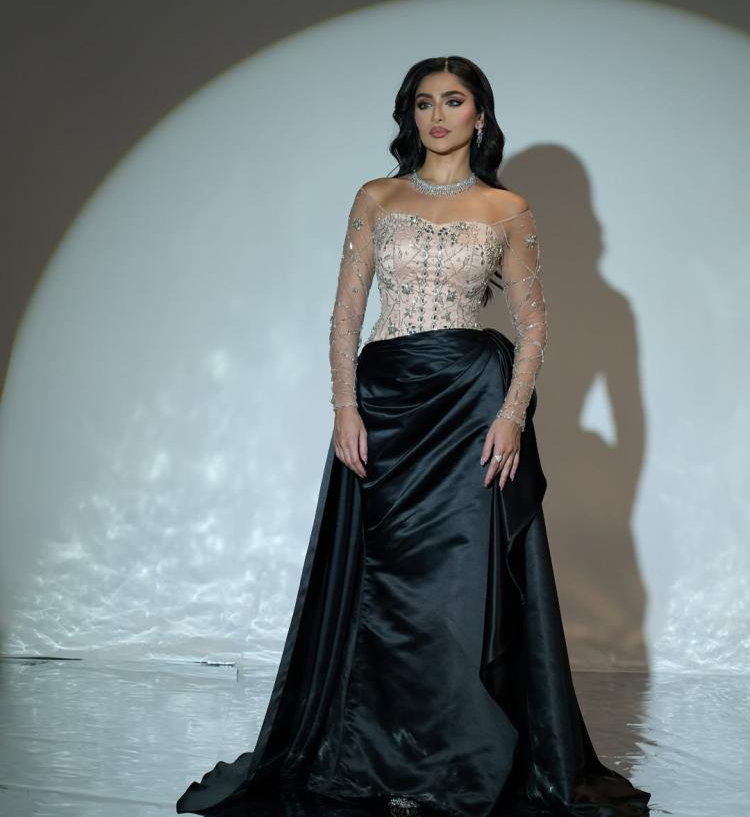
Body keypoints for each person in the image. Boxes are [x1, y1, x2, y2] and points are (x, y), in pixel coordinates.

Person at [176, 56, 651, 817]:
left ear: (479, 115)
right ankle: (377, 751)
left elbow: (533, 325)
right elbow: (345, 315)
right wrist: (345, 406)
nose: (437, 116)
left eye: (453, 101)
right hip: (387, 404)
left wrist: (510, 415)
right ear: (411, 114)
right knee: (386, 587)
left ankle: (459, 755)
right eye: (424, 103)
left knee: (457, 587)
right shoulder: (377, 197)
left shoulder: (507, 208)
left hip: (470, 407)